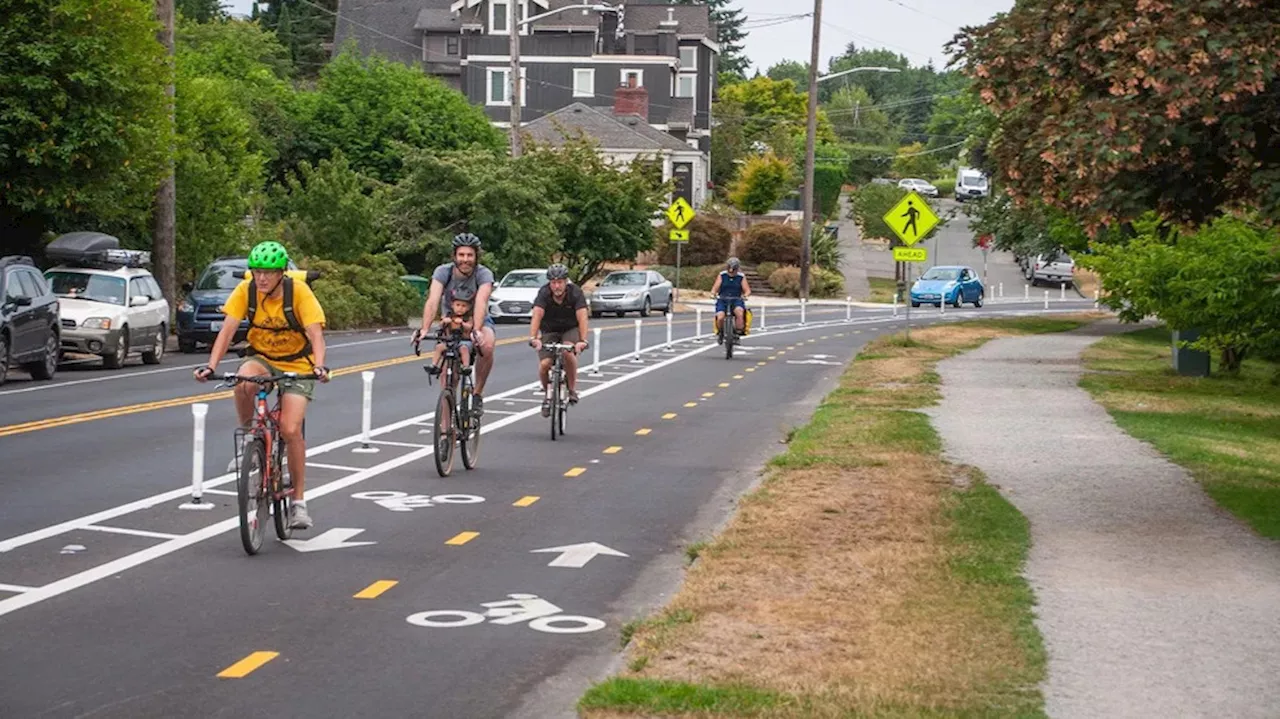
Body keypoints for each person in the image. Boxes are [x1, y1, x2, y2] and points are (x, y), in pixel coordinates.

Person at [194, 241, 329, 530]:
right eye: (256, 272)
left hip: (298, 364)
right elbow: (228, 330)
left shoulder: (299, 293)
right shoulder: (246, 291)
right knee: (243, 380)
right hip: (262, 358)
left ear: (282, 273)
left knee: (290, 429)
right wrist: (211, 366)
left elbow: (315, 334)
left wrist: (319, 365)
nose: (261, 278)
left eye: (268, 272)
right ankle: (247, 437)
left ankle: (299, 504)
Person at [414, 233, 496, 415]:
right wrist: (425, 328)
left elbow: (482, 301)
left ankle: (477, 394)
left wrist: (476, 330)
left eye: (469, 255)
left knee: (487, 346)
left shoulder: (483, 274)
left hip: (477, 319)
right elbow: (433, 299)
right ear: (454, 256)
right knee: (446, 377)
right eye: (461, 255)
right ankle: (445, 432)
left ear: (476, 257)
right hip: (450, 321)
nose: (465, 259)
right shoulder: (443, 272)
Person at [528, 263, 589, 417]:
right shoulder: (543, 293)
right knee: (545, 364)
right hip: (549, 330)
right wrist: (533, 337)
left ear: (566, 282)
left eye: (560, 282)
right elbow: (537, 314)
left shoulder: (575, 293)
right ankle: (547, 394)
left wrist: (582, 340)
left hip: (570, 329)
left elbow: (582, 316)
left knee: (568, 351)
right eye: (553, 282)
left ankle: (572, 390)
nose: (557, 286)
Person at [426, 286, 475, 376]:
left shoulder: (468, 317)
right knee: (439, 347)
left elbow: (470, 327)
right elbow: (441, 326)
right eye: (458, 305)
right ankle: (433, 365)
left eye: (463, 306)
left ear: (468, 308)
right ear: (452, 305)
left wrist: (463, 324)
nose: (460, 308)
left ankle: (465, 366)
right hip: (450, 341)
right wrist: (444, 322)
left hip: (463, 341)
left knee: (464, 349)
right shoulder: (449, 315)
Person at [711, 256, 751, 343]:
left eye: (734, 269)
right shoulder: (722, 275)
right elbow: (715, 288)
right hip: (723, 299)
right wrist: (713, 294)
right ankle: (720, 332)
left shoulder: (741, 277)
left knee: (739, 312)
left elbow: (747, 290)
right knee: (720, 316)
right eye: (730, 268)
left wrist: (745, 295)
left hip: (736, 299)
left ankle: (737, 333)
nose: (731, 271)